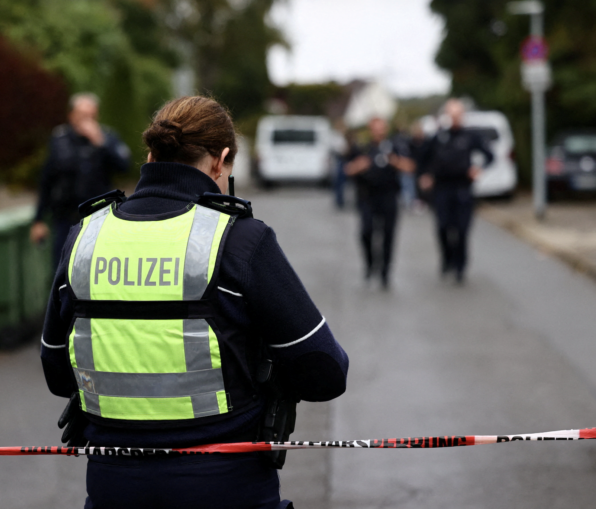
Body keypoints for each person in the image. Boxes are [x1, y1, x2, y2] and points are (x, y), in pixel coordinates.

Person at [39, 96, 349, 509]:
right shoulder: (240, 239)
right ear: (221, 161)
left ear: (151, 154)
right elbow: (326, 369)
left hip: (113, 486)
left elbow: (58, 373)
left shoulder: (85, 237)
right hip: (226, 486)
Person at [30, 93, 131, 268]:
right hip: (66, 219)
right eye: (82, 115)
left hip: (99, 219)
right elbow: (46, 181)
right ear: (72, 116)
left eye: (91, 116)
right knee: (63, 272)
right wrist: (38, 220)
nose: (87, 120)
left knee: (97, 270)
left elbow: (124, 166)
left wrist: (101, 142)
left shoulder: (107, 137)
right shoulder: (59, 139)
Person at [419, 99, 494, 283]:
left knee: (462, 230)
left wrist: (478, 168)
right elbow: (422, 158)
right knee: (443, 227)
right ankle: (447, 259)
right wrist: (426, 175)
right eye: (451, 114)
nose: (454, 118)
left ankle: (460, 266)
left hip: (463, 188)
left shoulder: (470, 136)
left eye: (458, 114)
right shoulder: (438, 137)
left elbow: (489, 156)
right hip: (442, 189)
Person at [345, 117, 414, 289]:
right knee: (366, 232)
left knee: (388, 235)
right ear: (370, 130)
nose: (379, 132)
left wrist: (395, 161)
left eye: (382, 128)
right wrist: (360, 165)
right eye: (375, 129)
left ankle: (385, 272)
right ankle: (370, 263)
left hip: (389, 196)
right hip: (368, 196)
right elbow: (347, 169)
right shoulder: (362, 147)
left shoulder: (395, 146)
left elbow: (410, 167)